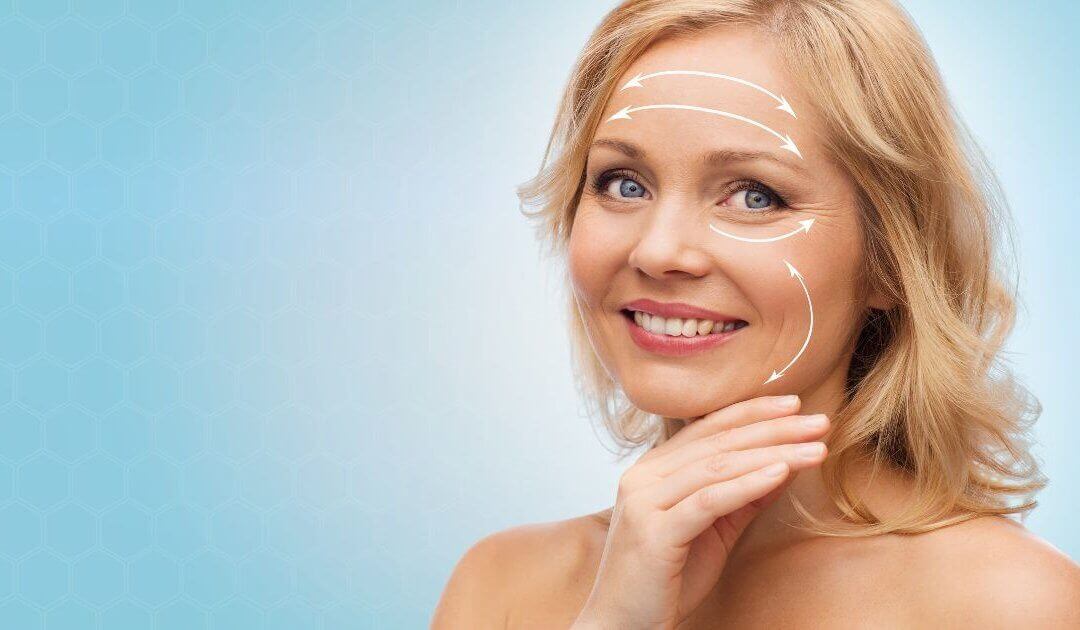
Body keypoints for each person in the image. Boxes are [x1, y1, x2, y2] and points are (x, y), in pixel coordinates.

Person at [432, 0, 1080, 627]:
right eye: (624, 182)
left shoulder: (1013, 605)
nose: (658, 250)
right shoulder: (500, 588)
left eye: (753, 195)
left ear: (888, 261)